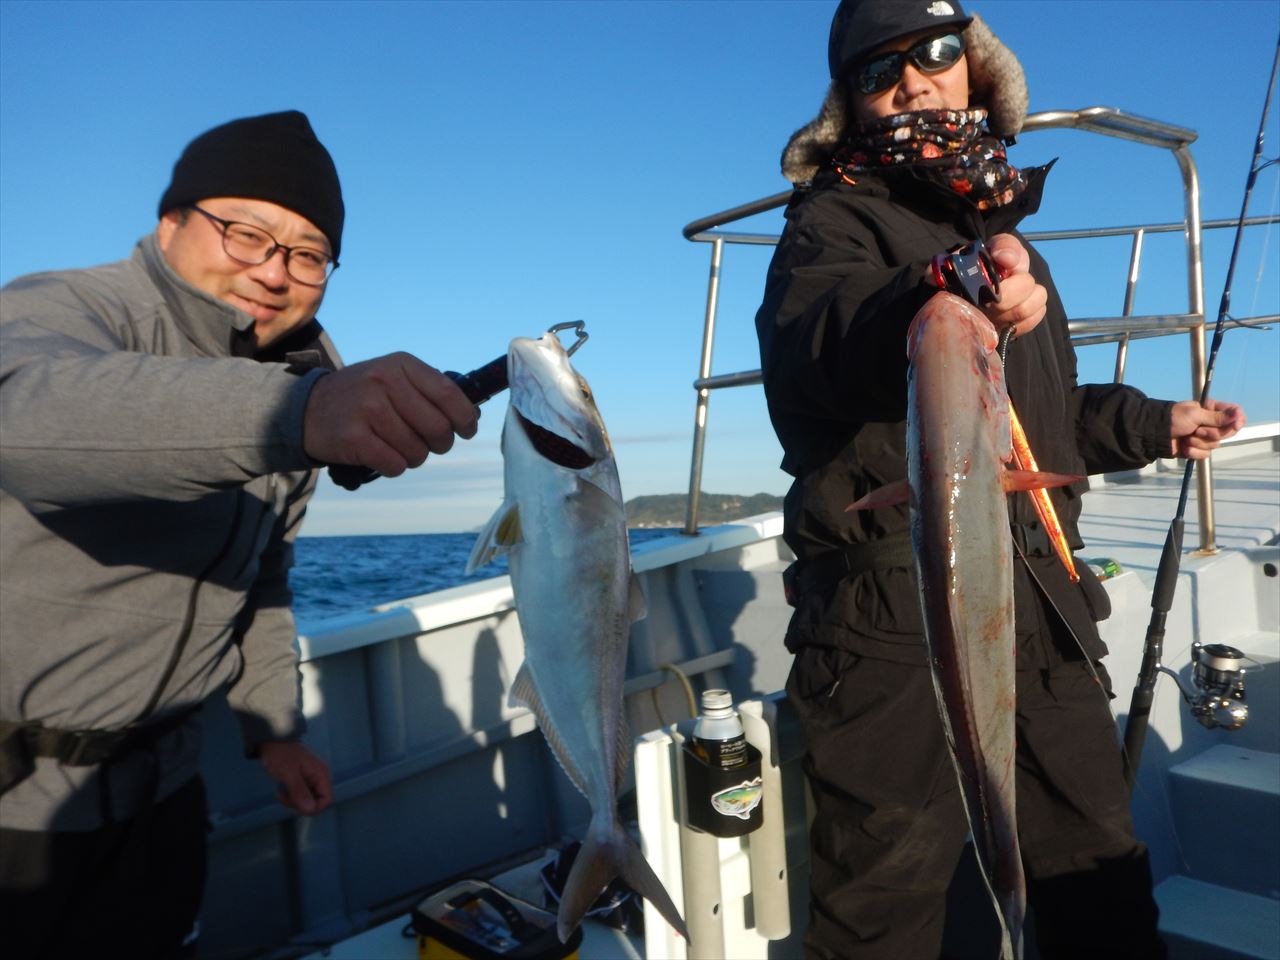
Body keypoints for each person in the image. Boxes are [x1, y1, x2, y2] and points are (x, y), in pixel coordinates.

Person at [754, 3, 1246, 958]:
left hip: (1042, 609)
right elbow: (824, 342)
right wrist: (942, 283)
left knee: (1097, 882)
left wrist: (1155, 423)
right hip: (891, 621)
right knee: (880, 907)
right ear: (847, 104)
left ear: (974, 69)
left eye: (935, 52)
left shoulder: (1013, 244)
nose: (911, 78)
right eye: (876, 69)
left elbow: (1038, 413)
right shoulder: (831, 225)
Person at [0, 110, 480, 958]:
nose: (273, 271)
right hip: (17, 810)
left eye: (307, 253)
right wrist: (295, 414)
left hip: (165, 796)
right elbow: (26, 419)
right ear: (171, 223)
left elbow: (259, 574)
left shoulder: (299, 373)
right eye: (246, 233)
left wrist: (274, 730)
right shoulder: (66, 310)